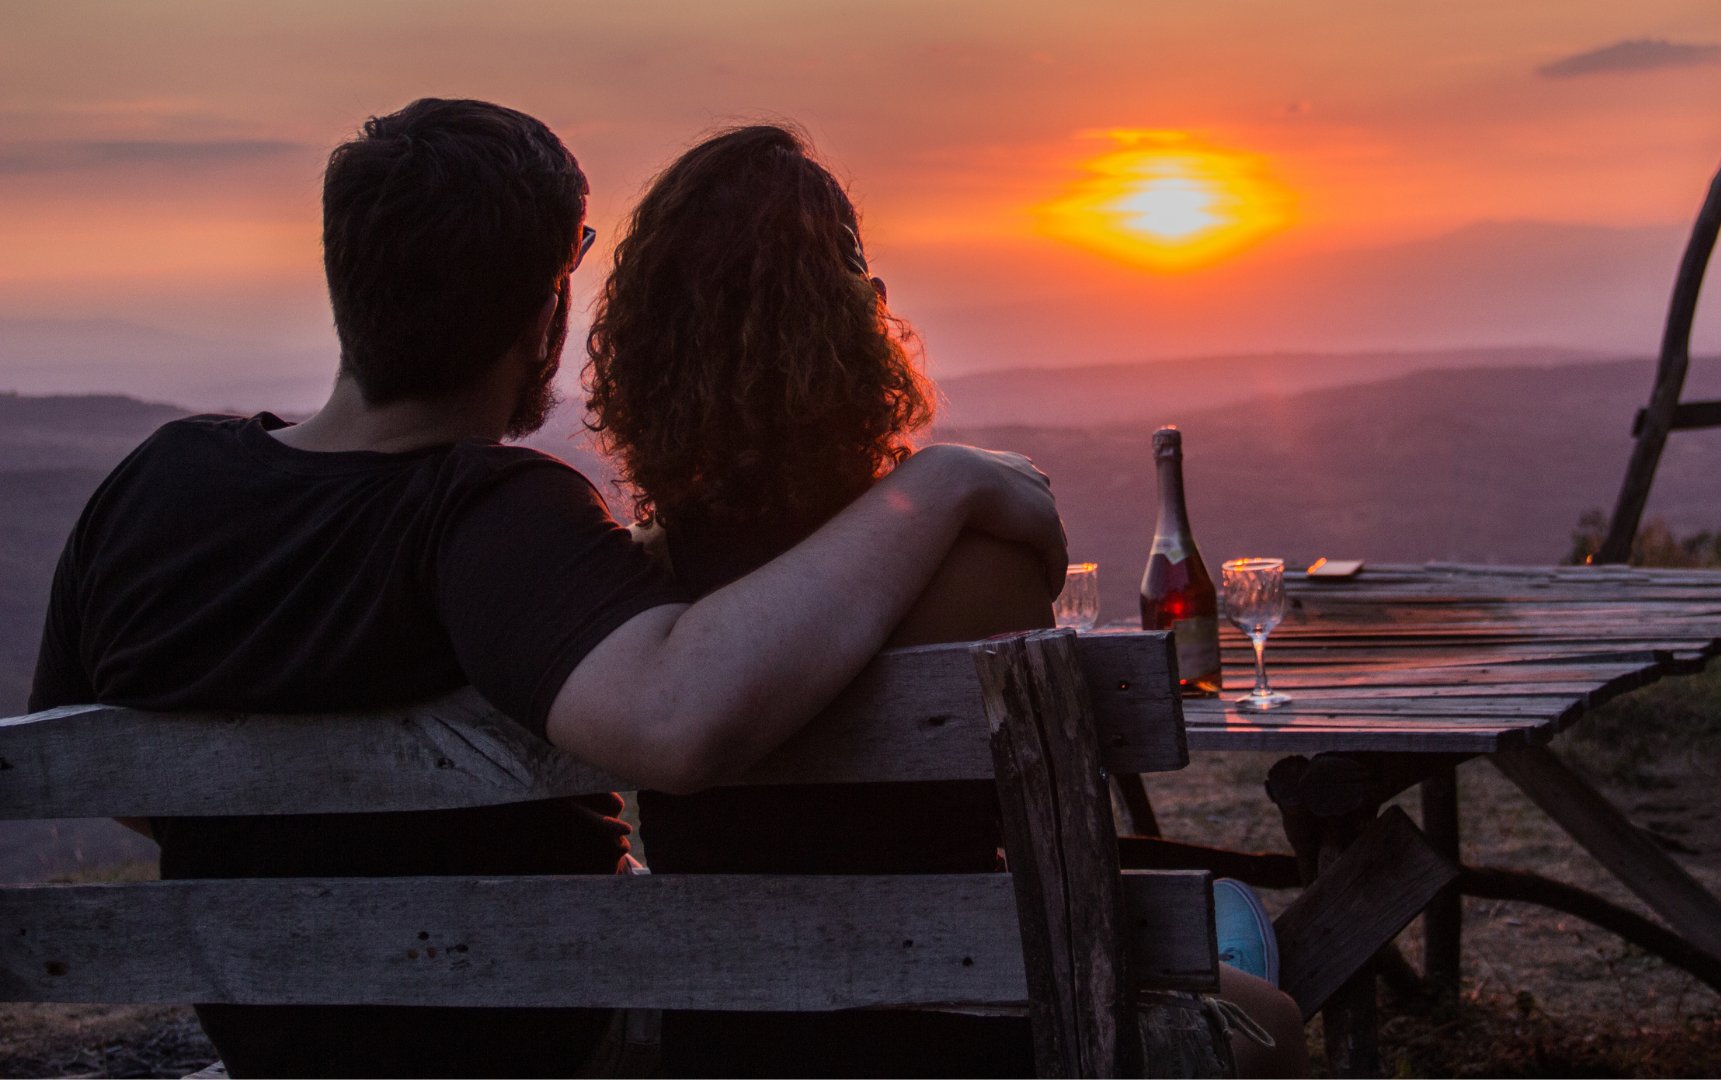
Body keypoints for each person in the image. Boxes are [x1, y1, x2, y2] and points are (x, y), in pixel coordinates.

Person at [28, 99, 1066, 1078]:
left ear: (347, 273)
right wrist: (942, 480)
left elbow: (105, 778)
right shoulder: (490, 516)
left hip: (275, 1042)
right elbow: (678, 722)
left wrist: (305, 904)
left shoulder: (158, 479)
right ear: (544, 315)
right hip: (555, 1043)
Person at [584, 123, 1307, 1077]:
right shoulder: (976, 570)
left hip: (733, 1038)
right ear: (859, 323)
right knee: (1276, 1015)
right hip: (979, 1024)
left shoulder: (639, 592)